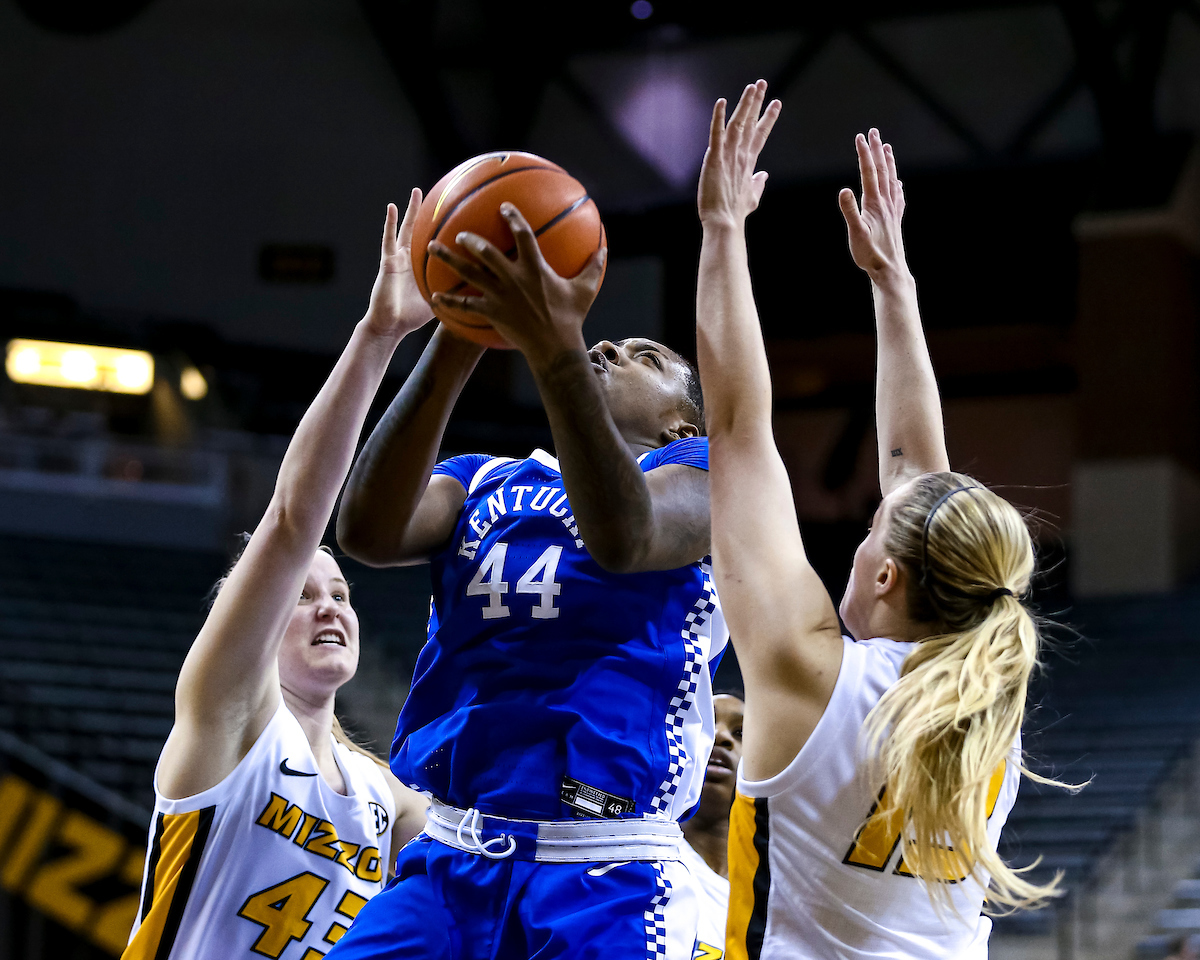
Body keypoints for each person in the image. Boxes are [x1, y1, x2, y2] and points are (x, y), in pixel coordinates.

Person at [695, 81, 1068, 959]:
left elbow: (738, 429)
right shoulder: (986, 711)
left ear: (888, 574)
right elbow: (921, 485)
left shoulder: (810, 674)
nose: (863, 537)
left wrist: (722, 230)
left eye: (870, 532)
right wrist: (893, 286)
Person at [329, 193, 726, 958]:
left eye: (644, 356)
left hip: (605, 870)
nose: (608, 350)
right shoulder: (482, 480)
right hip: (452, 856)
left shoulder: (706, 473)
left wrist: (556, 343)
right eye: (603, 345)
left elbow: (627, 536)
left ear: (680, 423)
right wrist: (460, 333)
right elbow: (367, 532)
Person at [123, 195, 433, 960]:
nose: (330, 608)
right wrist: (380, 336)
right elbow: (295, 520)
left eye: (341, 595)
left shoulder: (383, 796)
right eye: (303, 595)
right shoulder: (231, 718)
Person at [680, 691, 743, 960]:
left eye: (741, 733)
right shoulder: (636, 861)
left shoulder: (780, 892)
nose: (720, 736)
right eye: (704, 724)